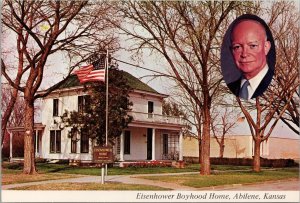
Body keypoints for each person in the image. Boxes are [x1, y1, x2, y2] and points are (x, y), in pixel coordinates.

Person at [227, 17, 274, 100]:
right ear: (232, 51)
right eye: (237, 47)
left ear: (266, 47)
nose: (244, 54)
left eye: (252, 46)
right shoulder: (232, 87)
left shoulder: (276, 85)